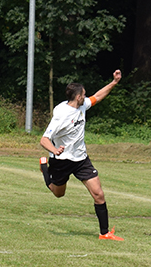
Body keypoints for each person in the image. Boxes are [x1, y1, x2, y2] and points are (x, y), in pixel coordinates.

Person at [39, 70, 124, 241]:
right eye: (83, 95)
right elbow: (44, 139)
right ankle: (44, 168)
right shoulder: (61, 115)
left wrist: (114, 82)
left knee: (98, 193)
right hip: (61, 161)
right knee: (58, 193)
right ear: (77, 97)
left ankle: (104, 233)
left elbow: (98, 96)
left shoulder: (82, 105)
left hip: (81, 159)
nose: (86, 97)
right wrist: (55, 151)